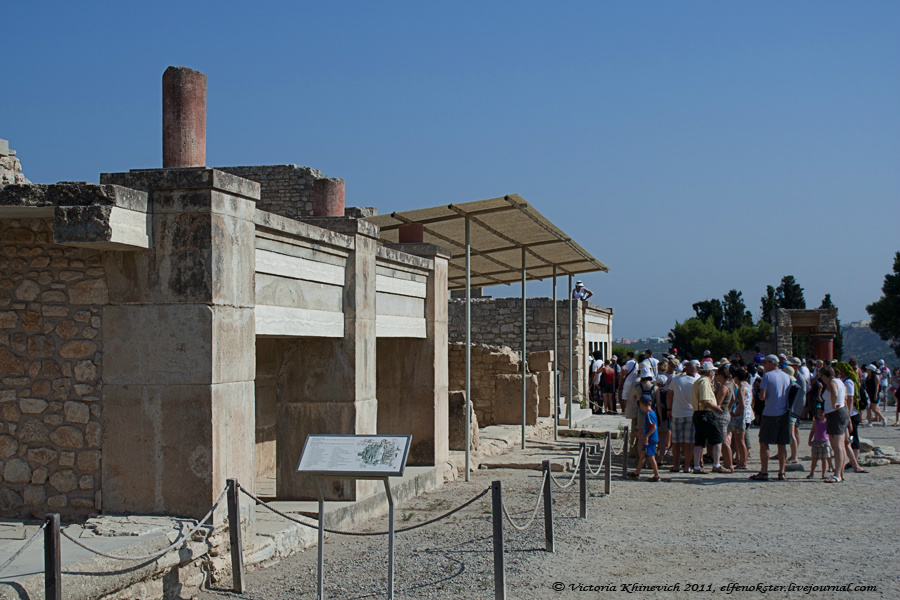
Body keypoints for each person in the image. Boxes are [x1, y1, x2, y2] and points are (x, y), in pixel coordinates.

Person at [750, 355, 791, 481]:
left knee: (764, 442)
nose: (764, 365)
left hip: (769, 412)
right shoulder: (787, 376)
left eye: (765, 363)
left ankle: (764, 471)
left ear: (772, 363)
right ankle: (782, 472)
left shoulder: (767, 376)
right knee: (782, 444)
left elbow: (762, 396)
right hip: (783, 412)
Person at [691, 362, 726, 474]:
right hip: (705, 413)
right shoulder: (705, 382)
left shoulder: (697, 381)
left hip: (697, 413)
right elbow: (704, 400)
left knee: (699, 441)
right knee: (717, 438)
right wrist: (715, 408)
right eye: (713, 371)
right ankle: (716, 464)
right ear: (710, 372)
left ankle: (696, 466)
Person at [667, 360, 699, 473]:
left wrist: (668, 408)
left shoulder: (675, 380)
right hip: (691, 413)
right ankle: (686, 466)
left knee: (676, 442)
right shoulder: (696, 381)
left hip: (677, 413)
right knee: (689, 442)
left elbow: (669, 395)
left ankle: (676, 465)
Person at [819, 365, 848, 483]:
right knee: (840, 445)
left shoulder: (832, 383)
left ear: (825, 375)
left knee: (837, 446)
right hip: (840, 412)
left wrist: (834, 403)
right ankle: (840, 472)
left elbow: (835, 393)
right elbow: (845, 397)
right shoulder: (840, 381)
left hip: (835, 413)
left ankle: (837, 474)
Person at [627, 395, 660, 482]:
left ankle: (656, 475)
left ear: (642, 404)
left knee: (651, 457)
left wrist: (646, 436)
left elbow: (653, 427)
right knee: (642, 455)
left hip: (651, 439)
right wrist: (641, 432)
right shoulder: (650, 413)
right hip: (650, 438)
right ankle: (636, 473)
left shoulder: (649, 414)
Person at [713, 366, 736, 472]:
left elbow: (717, 404)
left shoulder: (723, 387)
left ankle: (729, 463)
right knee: (726, 439)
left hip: (721, 414)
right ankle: (728, 462)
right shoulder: (731, 385)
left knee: (724, 440)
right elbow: (734, 399)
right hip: (727, 413)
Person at [729, 369, 750, 469]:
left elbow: (742, 404)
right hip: (746, 415)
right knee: (739, 440)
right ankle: (741, 460)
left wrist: (734, 413)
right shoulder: (747, 386)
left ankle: (743, 461)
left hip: (740, 416)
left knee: (740, 440)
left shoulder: (741, 388)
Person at [806, 405, 833, 479]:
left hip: (825, 442)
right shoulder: (816, 422)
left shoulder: (828, 421)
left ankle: (824, 473)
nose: (820, 414)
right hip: (816, 442)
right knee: (814, 459)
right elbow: (812, 431)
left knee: (824, 459)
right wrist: (809, 440)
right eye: (818, 412)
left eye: (822, 412)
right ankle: (811, 473)